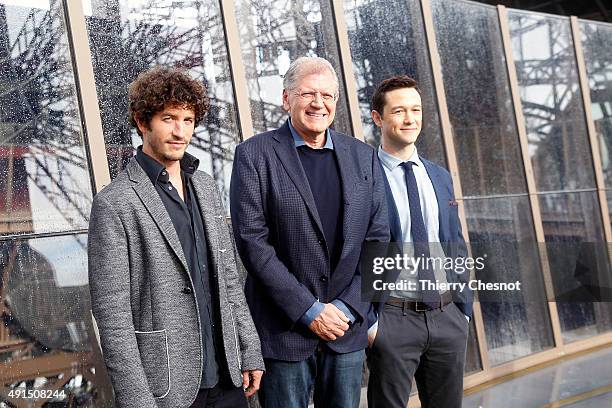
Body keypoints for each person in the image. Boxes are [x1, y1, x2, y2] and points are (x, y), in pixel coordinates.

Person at [88, 66, 264, 408]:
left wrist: (249, 348)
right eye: (169, 118)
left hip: (228, 376)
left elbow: (228, 279)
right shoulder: (114, 203)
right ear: (142, 122)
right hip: (167, 386)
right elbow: (113, 316)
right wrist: (137, 400)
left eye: (187, 120)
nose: (180, 131)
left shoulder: (206, 186)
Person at [229, 56, 389, 408]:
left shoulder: (364, 158)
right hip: (284, 334)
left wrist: (347, 309)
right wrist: (309, 310)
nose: (318, 103)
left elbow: (379, 242)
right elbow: (253, 244)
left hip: (346, 334)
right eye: (307, 94)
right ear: (287, 99)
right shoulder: (254, 155)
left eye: (327, 96)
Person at [367, 75, 473, 408]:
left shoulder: (440, 176)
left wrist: (463, 309)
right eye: (399, 111)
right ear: (378, 118)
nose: (410, 119)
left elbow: (454, 241)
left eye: (416, 110)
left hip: (447, 316)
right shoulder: (364, 176)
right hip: (393, 319)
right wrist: (372, 323)